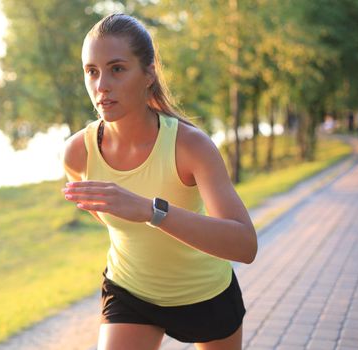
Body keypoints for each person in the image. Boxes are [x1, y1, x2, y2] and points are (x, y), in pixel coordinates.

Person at [62, 13, 257, 350]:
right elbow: (104, 213)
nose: (101, 85)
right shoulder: (78, 152)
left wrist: (150, 211)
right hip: (130, 293)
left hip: (204, 294)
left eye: (117, 69)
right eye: (91, 71)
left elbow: (244, 245)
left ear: (149, 72)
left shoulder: (190, 146)